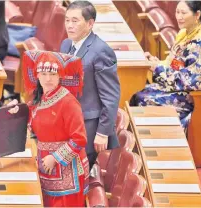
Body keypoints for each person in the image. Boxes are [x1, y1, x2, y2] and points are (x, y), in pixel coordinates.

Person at [8, 50, 89, 207]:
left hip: (67, 171)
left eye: (53, 74)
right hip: (45, 168)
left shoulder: (69, 103)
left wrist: (55, 158)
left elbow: (79, 138)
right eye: (43, 73)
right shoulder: (40, 99)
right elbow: (30, 116)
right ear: (37, 76)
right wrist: (15, 110)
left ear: (60, 76)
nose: (48, 78)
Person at [130, 0, 201, 130]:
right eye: (177, 12)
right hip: (177, 85)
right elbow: (174, 63)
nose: (178, 17)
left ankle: (153, 139)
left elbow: (187, 81)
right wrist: (156, 62)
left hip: (192, 96)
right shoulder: (184, 33)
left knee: (142, 98)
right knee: (136, 92)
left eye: (183, 13)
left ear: (197, 15)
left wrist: (157, 68)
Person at [60, 1, 120, 169]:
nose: (69, 26)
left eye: (75, 21)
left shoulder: (101, 51)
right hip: (67, 121)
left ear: (90, 23)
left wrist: (102, 132)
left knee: (74, 174)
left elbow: (110, 96)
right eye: (67, 20)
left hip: (88, 126)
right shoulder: (66, 44)